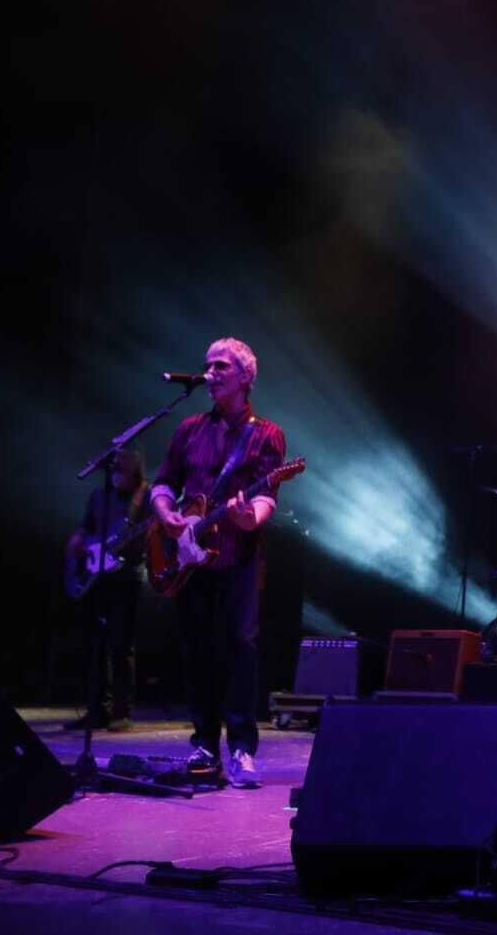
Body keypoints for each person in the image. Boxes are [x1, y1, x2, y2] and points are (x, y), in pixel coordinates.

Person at [150, 338, 287, 789]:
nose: (210, 372)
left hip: (238, 555)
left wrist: (250, 517)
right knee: (197, 651)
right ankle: (204, 743)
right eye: (207, 365)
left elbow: (266, 496)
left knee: (240, 649)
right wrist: (167, 513)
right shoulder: (189, 428)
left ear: (245, 377)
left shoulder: (266, 434)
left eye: (221, 366)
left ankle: (243, 748)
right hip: (190, 557)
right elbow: (164, 482)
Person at [63, 448, 148, 732]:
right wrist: (78, 544)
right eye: (113, 468)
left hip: (128, 573)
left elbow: (152, 534)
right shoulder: (98, 497)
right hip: (97, 575)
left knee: (122, 645)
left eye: (121, 469)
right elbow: (84, 529)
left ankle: (122, 712)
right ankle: (97, 710)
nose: (115, 473)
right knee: (96, 644)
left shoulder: (144, 496)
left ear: (134, 469)